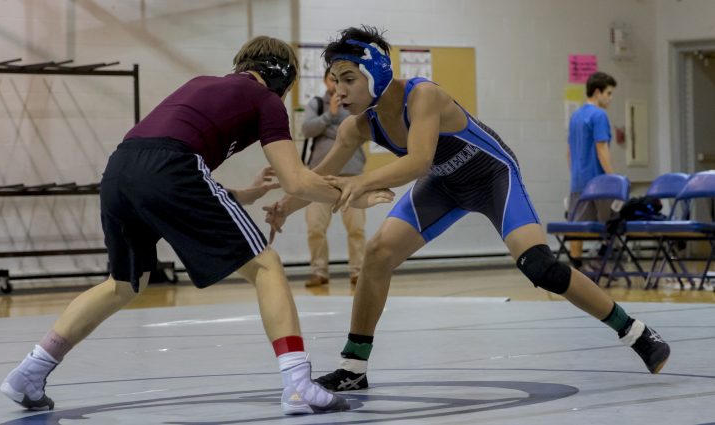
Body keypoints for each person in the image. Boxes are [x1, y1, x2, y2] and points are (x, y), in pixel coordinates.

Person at [0, 35, 395, 416]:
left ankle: (29, 373)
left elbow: (168, 167)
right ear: (282, 78)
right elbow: (295, 180)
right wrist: (354, 193)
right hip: (172, 168)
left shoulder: (201, 84)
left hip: (120, 169)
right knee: (266, 266)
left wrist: (243, 194)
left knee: (122, 285)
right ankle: (298, 383)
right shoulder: (264, 100)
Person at [265, 26, 670, 392]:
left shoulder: (423, 95)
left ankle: (636, 332)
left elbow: (419, 161)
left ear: (377, 73)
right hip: (443, 185)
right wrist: (286, 204)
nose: (339, 92)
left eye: (349, 79)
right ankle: (353, 367)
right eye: (335, 82)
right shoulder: (358, 126)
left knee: (540, 267)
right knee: (377, 254)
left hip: (493, 177)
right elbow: (317, 176)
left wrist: (363, 181)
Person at [301, 67, 367, 288]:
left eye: (339, 80)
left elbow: (360, 133)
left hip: (352, 176)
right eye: (331, 79)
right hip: (320, 177)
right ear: (325, 81)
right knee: (315, 228)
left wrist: (330, 129)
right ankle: (319, 272)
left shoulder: (356, 105)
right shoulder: (316, 104)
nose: (335, 84)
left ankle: (358, 272)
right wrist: (330, 114)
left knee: (356, 228)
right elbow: (307, 129)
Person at [567, 71, 617, 269]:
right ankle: (603, 263)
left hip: (578, 181)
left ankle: (575, 268)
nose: (611, 98)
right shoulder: (599, 115)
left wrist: (575, 173)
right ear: (598, 92)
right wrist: (613, 179)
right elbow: (601, 148)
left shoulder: (575, 116)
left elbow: (569, 152)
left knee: (576, 228)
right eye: (609, 93)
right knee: (611, 226)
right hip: (598, 183)